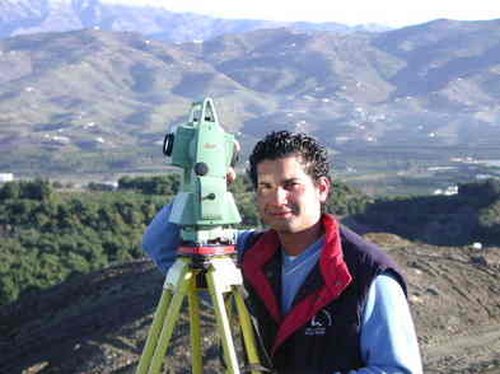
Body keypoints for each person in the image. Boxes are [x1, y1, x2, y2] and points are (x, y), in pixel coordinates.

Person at [143, 130, 423, 373]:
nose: (277, 198)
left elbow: (397, 369)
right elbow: (162, 243)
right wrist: (201, 189)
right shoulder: (249, 252)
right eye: (266, 186)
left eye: (291, 185)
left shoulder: (368, 274)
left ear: (322, 188)